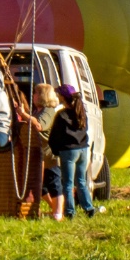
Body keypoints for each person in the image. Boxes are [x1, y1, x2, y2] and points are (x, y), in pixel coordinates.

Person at [17, 83, 64, 220]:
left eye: (36, 93)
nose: (33, 96)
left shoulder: (48, 111)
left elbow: (39, 125)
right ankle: (54, 208)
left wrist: (23, 114)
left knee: (54, 183)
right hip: (41, 155)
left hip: (50, 155)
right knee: (41, 185)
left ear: (42, 95)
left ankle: (58, 212)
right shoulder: (39, 111)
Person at [48, 84, 95, 219]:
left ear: (63, 97)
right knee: (81, 181)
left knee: (67, 183)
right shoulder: (81, 112)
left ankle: (70, 211)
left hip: (68, 151)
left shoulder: (61, 115)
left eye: (59, 95)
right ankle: (88, 207)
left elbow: (55, 136)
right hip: (83, 149)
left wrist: (56, 150)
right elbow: (85, 130)